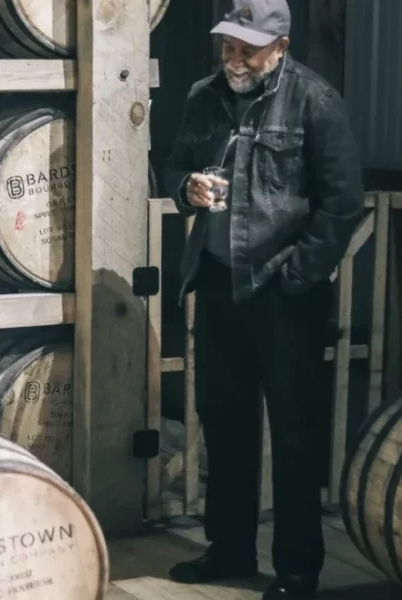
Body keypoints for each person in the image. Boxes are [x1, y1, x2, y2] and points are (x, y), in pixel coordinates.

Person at [164, 1, 364, 599]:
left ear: (280, 46)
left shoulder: (315, 100)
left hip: (285, 295)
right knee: (224, 426)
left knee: (296, 435)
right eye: (228, 47)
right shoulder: (204, 95)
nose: (234, 60)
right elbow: (172, 164)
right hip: (221, 284)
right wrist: (187, 188)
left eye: (247, 49)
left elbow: (343, 203)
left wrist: (299, 276)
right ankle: (228, 550)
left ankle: (298, 569)